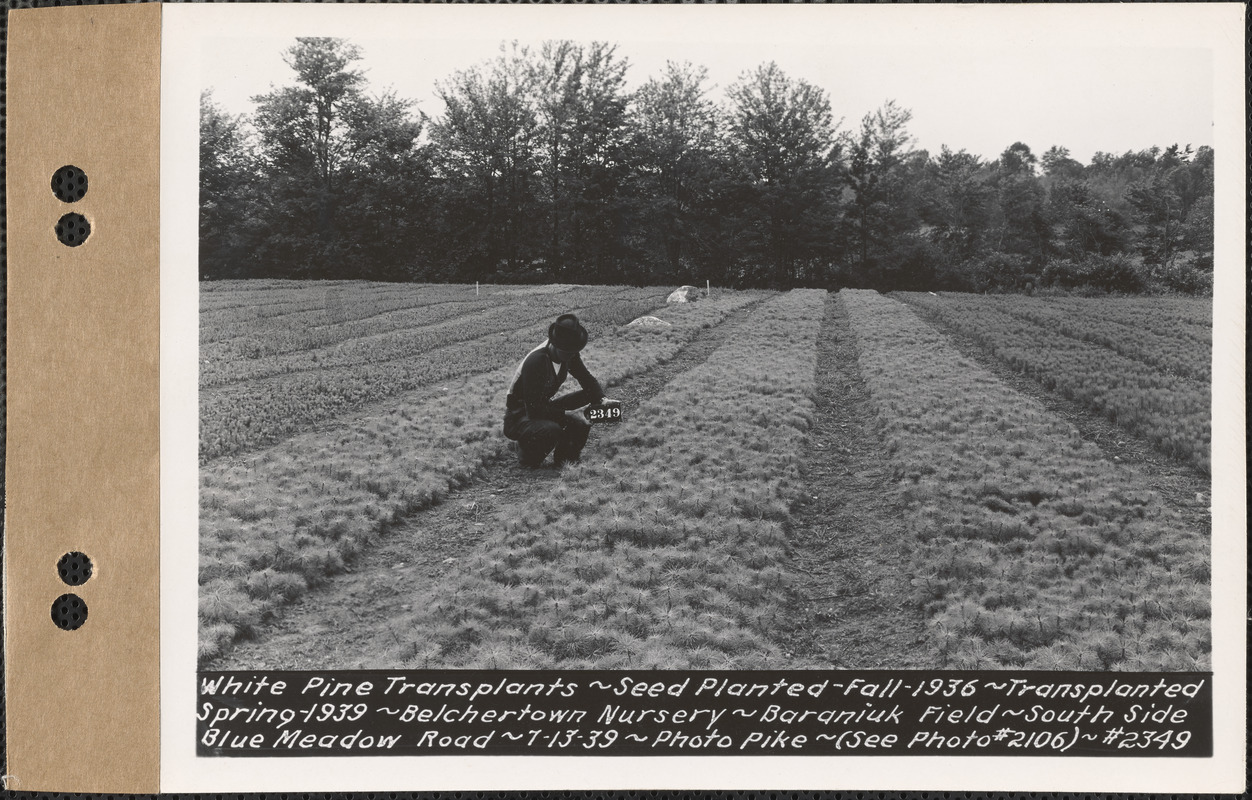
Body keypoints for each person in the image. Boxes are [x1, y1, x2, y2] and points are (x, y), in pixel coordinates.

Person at [503, 314, 605, 468]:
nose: (572, 355)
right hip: (520, 416)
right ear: (555, 345)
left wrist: (603, 400)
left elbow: (586, 379)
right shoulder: (537, 361)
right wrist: (569, 415)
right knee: (551, 430)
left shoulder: (569, 353)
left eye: (574, 350)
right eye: (568, 351)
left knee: (590, 396)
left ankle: (566, 458)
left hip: (542, 406)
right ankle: (526, 454)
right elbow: (534, 409)